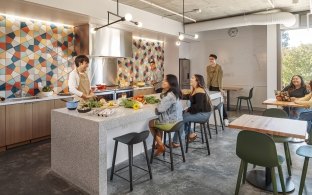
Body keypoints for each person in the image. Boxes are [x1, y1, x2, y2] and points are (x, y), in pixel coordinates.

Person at [149, 74, 183, 156]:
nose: (163, 82)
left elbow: (159, 110)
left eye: (165, 80)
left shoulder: (169, 96)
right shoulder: (175, 93)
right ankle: (159, 143)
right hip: (178, 121)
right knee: (158, 122)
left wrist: (157, 105)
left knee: (151, 123)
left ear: (170, 83)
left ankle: (161, 145)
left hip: (170, 123)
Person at [183, 74, 212, 141]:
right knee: (182, 115)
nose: (190, 79)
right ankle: (191, 134)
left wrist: (188, 109)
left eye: (192, 78)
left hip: (203, 114)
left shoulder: (199, 91)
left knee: (181, 118)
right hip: (202, 112)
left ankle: (176, 141)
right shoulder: (196, 90)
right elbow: (188, 96)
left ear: (197, 81)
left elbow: (198, 107)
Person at [206, 54, 229, 126]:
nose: (211, 60)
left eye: (212, 59)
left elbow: (220, 78)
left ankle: (225, 118)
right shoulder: (208, 67)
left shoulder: (219, 67)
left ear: (215, 59)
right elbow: (208, 78)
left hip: (217, 87)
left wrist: (220, 88)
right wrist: (207, 87)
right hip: (211, 87)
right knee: (210, 103)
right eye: (210, 59)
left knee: (220, 103)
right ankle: (212, 118)